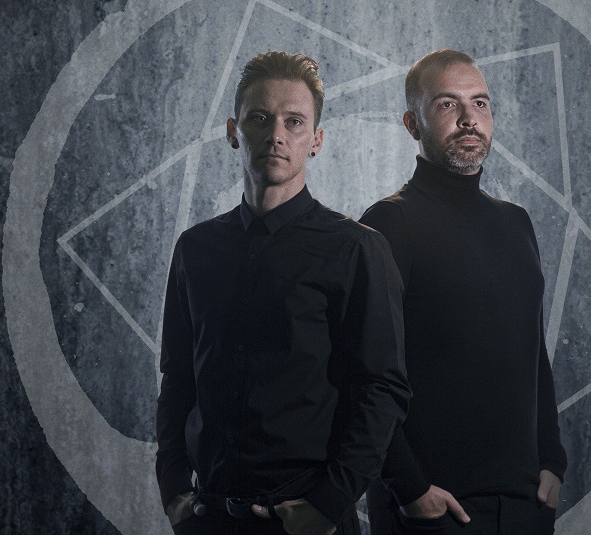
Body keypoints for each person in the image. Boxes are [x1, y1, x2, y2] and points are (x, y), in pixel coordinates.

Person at [155, 51, 411, 535]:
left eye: (294, 122)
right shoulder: (196, 248)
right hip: (209, 518)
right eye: (260, 118)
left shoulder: (356, 249)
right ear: (233, 131)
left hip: (306, 519)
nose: (276, 134)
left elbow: (382, 389)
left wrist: (329, 503)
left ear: (315, 140)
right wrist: (173, 489)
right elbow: (178, 378)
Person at [359, 49, 567, 534]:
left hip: (524, 504)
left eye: (480, 103)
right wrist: (408, 486)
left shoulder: (516, 224)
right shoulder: (388, 223)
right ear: (412, 123)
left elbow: (533, 353)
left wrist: (553, 461)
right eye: (448, 104)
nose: (470, 118)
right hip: (431, 509)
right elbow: (360, 369)